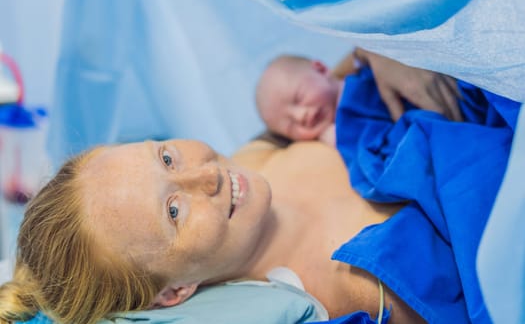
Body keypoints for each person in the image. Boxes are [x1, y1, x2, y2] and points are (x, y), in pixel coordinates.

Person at [0, 136, 426, 324]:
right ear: (173, 293)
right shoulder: (362, 286)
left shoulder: (254, 157)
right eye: (173, 211)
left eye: (166, 158)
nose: (206, 177)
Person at [255, 48, 463, 145]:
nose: (301, 116)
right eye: (290, 126)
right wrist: (340, 140)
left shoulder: (361, 74)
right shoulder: (335, 134)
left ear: (320, 69)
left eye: (298, 98)